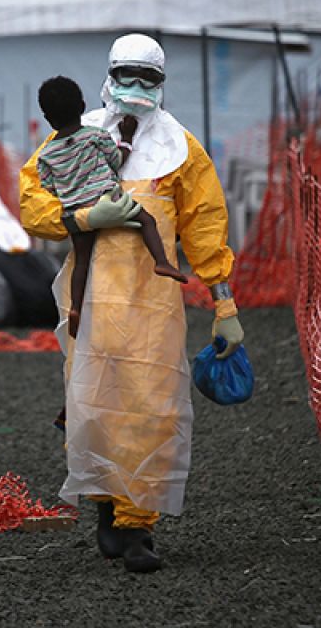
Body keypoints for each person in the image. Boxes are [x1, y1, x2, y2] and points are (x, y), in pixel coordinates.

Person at [19, 33, 245, 573]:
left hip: (153, 306)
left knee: (151, 406)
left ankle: (137, 526)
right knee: (95, 403)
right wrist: (78, 220)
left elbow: (206, 226)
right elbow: (33, 203)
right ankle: (104, 502)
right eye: (128, 76)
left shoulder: (181, 150)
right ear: (109, 74)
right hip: (90, 300)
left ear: (162, 83)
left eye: (149, 78)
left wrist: (224, 303)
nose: (136, 88)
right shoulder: (72, 138)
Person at [35, 75, 188, 340]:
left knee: (82, 261)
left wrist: (72, 190)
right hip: (109, 199)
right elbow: (117, 160)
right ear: (82, 106)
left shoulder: (46, 154)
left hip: (77, 211)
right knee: (146, 221)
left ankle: (75, 308)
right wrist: (127, 136)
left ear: (48, 118)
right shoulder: (96, 136)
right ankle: (162, 262)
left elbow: (47, 185)